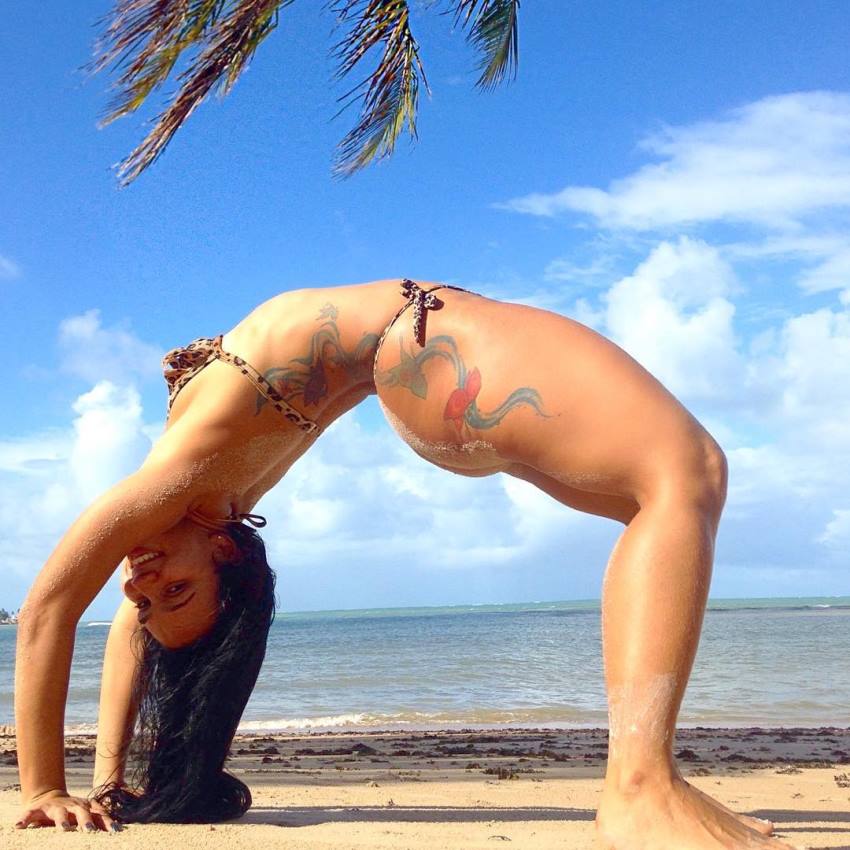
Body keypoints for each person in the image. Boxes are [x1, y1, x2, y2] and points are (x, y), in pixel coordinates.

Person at [14, 278, 789, 849]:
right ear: (223, 552)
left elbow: (125, 631)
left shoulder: (185, 510)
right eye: (171, 590)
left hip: (405, 361)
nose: (142, 581)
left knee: (663, 494)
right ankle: (641, 784)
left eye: (152, 592)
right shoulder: (184, 492)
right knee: (683, 474)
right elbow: (49, 608)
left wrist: (107, 782)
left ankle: (643, 780)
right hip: (415, 343)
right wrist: (46, 787)